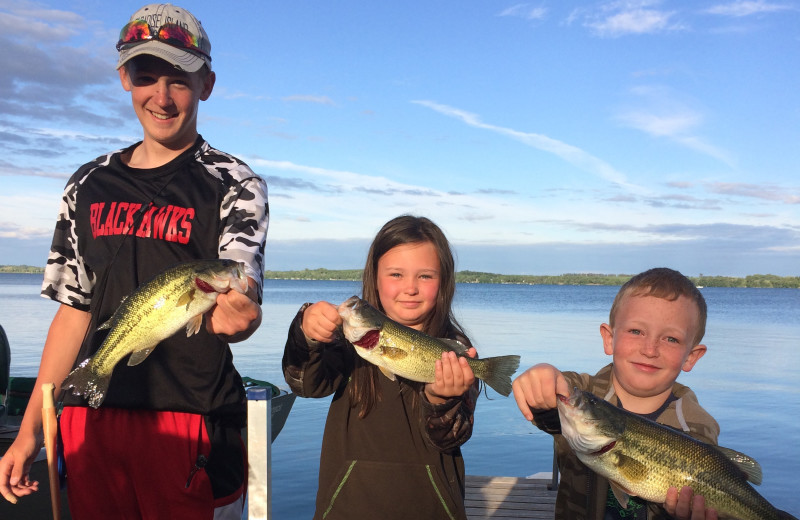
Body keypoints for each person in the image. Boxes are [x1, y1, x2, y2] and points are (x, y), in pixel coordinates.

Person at [0, 4, 268, 519]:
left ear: (207, 84)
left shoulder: (235, 182)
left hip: (190, 421)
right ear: (125, 78)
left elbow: (239, 283)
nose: (161, 97)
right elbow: (73, 313)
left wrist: (237, 319)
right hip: (90, 419)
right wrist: (32, 430)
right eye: (147, 77)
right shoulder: (87, 183)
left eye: (180, 80)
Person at [283, 215, 478, 520]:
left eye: (425, 276)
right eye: (396, 274)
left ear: (444, 281)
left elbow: (452, 437)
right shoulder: (348, 339)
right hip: (347, 508)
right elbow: (305, 384)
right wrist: (306, 334)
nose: (410, 288)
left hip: (430, 509)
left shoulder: (454, 351)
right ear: (374, 277)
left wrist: (442, 402)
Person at [512, 267, 719, 520]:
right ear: (609, 339)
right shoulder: (585, 394)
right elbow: (558, 395)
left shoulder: (697, 425)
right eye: (636, 331)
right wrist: (543, 377)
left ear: (691, 356)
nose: (650, 349)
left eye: (671, 339)